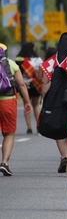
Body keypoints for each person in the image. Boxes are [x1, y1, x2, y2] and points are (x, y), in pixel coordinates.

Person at [0, 43, 32, 176]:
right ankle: (5, 162)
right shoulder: (10, 64)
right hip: (7, 101)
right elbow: (22, 84)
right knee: (9, 133)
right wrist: (26, 101)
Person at [15, 42, 43, 134]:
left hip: (25, 85)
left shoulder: (19, 60)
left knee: (26, 105)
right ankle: (38, 126)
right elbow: (41, 72)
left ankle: (29, 128)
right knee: (36, 106)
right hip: (35, 85)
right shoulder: (38, 59)